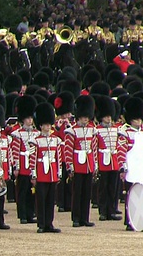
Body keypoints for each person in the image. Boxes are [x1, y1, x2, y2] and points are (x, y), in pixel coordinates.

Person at [64, 95, 97, 228]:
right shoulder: (71, 131)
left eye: (87, 117)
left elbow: (94, 148)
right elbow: (68, 150)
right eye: (84, 117)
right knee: (77, 193)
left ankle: (85, 218)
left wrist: (95, 165)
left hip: (88, 164)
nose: (86, 119)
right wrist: (70, 167)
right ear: (78, 116)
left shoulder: (92, 130)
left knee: (86, 193)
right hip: (77, 165)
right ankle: (76, 218)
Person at [30, 102, 62, 233]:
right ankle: (41, 224)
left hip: (52, 173)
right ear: (41, 126)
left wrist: (59, 173)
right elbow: (32, 159)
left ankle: (49, 223)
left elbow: (58, 158)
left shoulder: (55, 140)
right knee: (41, 199)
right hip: (41, 173)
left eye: (49, 125)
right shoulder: (35, 140)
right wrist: (33, 175)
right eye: (45, 125)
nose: (48, 127)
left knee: (50, 200)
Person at [10, 95, 38, 224]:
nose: (30, 121)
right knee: (22, 191)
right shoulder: (17, 134)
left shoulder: (36, 133)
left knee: (31, 192)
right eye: (27, 118)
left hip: (32, 165)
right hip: (22, 164)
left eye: (31, 118)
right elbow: (15, 151)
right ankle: (22, 215)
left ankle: (31, 213)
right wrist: (16, 166)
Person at [94, 96, 121, 222]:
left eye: (110, 116)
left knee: (112, 188)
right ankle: (103, 211)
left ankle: (111, 210)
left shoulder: (116, 129)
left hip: (114, 161)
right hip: (103, 161)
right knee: (103, 188)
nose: (108, 118)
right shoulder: (97, 130)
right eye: (106, 116)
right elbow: (95, 147)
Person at [118, 97, 143, 231]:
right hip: (131, 167)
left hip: (141, 167)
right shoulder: (124, 132)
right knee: (130, 194)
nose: (138, 122)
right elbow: (121, 151)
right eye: (136, 119)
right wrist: (123, 166)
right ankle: (129, 220)